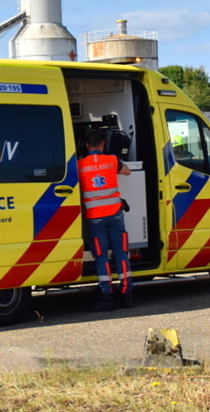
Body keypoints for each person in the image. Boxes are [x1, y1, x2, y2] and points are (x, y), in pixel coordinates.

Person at [77, 129, 133, 311]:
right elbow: (128, 171)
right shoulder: (112, 160)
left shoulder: (80, 165)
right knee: (121, 254)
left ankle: (106, 296)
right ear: (103, 144)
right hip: (115, 215)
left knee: (101, 257)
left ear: (86, 145)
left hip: (95, 218)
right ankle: (126, 294)